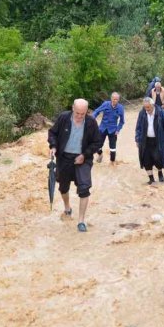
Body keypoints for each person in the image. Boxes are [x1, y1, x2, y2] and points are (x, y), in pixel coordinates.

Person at [48, 98, 103, 232]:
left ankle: (81, 221)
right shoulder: (63, 118)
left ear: (86, 112)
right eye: (77, 113)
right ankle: (67, 207)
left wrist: (84, 155)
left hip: (83, 158)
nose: (79, 116)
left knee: (84, 188)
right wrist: (53, 146)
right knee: (63, 187)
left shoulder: (91, 123)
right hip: (64, 157)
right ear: (73, 108)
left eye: (82, 114)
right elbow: (52, 133)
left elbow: (97, 142)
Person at [135, 96, 164, 185]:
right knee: (146, 160)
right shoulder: (142, 113)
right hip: (145, 141)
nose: (146, 109)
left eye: (148, 107)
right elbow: (138, 127)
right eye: (145, 107)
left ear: (152, 105)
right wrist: (137, 139)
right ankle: (151, 179)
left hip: (158, 140)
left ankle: (160, 173)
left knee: (158, 158)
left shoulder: (161, 113)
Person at [92, 92, 125, 164]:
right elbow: (97, 111)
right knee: (97, 145)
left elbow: (122, 121)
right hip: (102, 128)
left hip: (113, 130)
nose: (115, 101)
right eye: (114, 99)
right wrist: (92, 119)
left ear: (118, 100)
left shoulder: (120, 108)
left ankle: (112, 162)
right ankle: (100, 155)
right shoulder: (106, 104)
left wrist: (118, 129)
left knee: (112, 148)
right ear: (111, 99)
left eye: (116, 99)